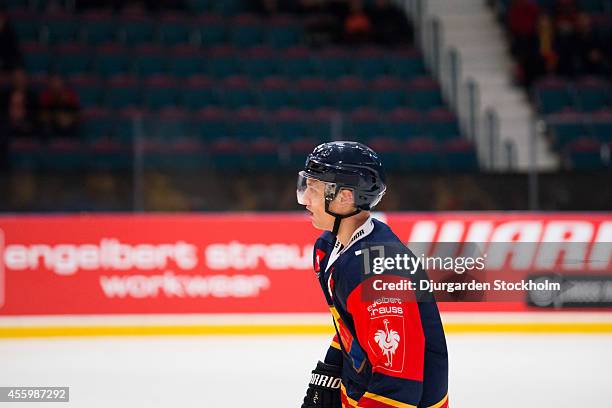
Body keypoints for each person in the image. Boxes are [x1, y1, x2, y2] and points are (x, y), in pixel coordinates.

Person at [298, 141, 449, 408]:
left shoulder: (381, 274)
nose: (305, 199)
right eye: (305, 185)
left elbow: (398, 385)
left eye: (313, 189)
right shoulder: (327, 248)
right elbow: (352, 328)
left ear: (345, 197)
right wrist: (332, 371)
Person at [38, 73, 80, 139]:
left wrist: (69, 119)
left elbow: (77, 113)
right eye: (53, 81)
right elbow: (43, 115)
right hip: (52, 124)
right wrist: (57, 118)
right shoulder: (45, 95)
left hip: (69, 123)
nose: (56, 84)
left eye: (58, 81)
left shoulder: (70, 95)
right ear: (49, 83)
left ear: (62, 83)